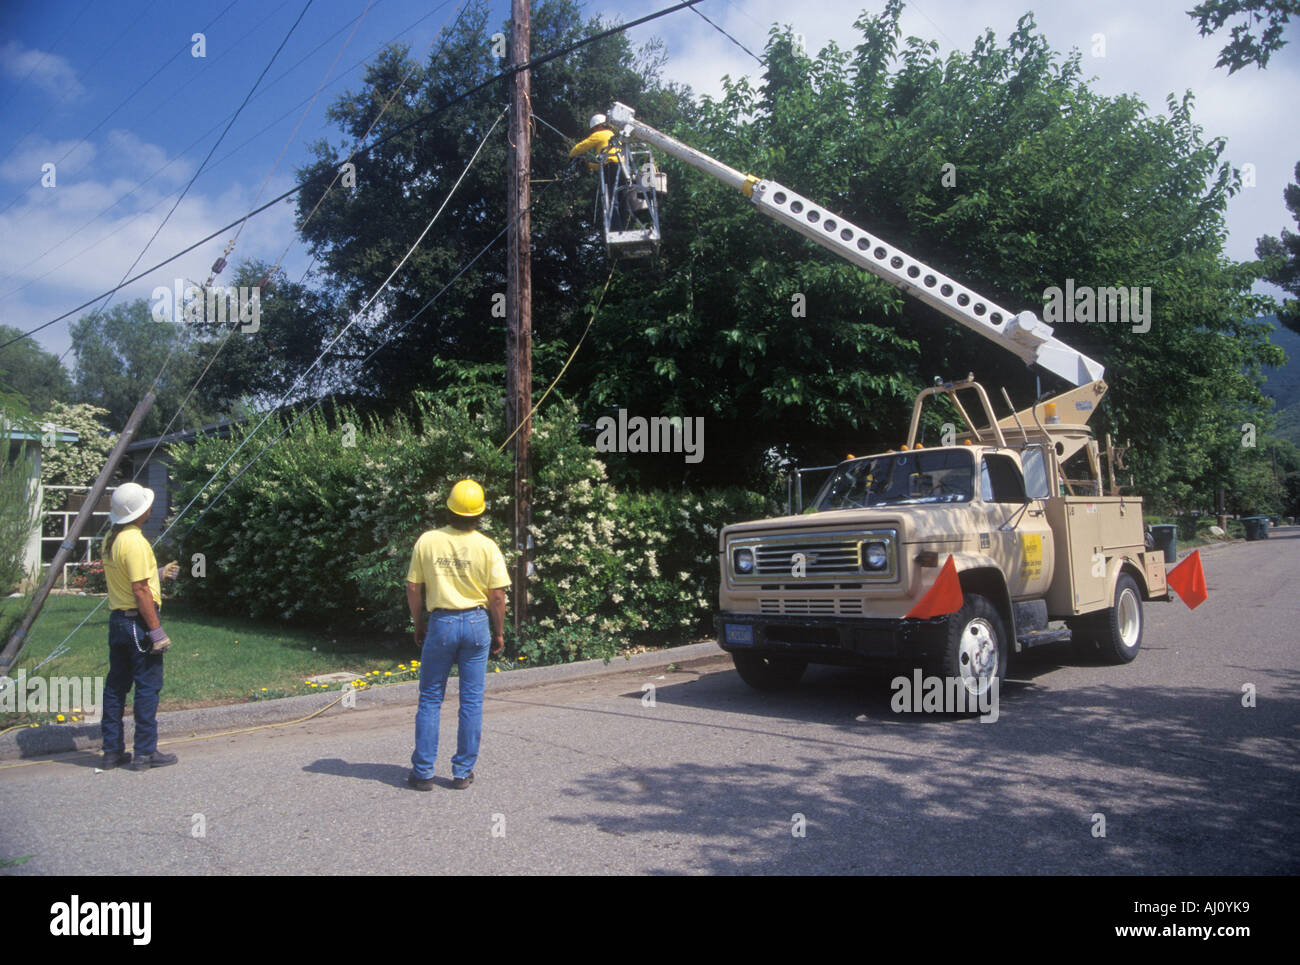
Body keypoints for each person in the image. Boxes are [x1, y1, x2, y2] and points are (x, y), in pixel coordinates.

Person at [406, 479, 510, 791]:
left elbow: (413, 587)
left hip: (442, 623)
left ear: (449, 507)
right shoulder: (487, 546)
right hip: (477, 624)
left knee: (430, 698)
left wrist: (418, 623)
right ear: (479, 514)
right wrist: (500, 632)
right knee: (471, 701)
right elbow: (497, 597)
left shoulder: (428, 541)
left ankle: (423, 772)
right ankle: (462, 772)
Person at [100, 482, 178, 771]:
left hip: (118, 622)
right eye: (147, 504)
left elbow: (130, 578)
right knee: (147, 686)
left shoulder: (112, 536)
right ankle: (145, 753)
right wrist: (156, 631)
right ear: (140, 511)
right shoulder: (135, 541)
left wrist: (158, 573)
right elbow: (141, 590)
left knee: (116, 687)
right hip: (138, 622)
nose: (151, 506)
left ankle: (112, 752)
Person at [569, 113, 625, 229]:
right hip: (622, 169)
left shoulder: (600, 134)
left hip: (612, 168)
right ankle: (621, 227)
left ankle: (616, 229)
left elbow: (579, 148)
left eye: (594, 129)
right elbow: (602, 166)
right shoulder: (613, 137)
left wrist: (571, 155)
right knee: (620, 200)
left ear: (598, 126)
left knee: (612, 200)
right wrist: (589, 165)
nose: (593, 132)